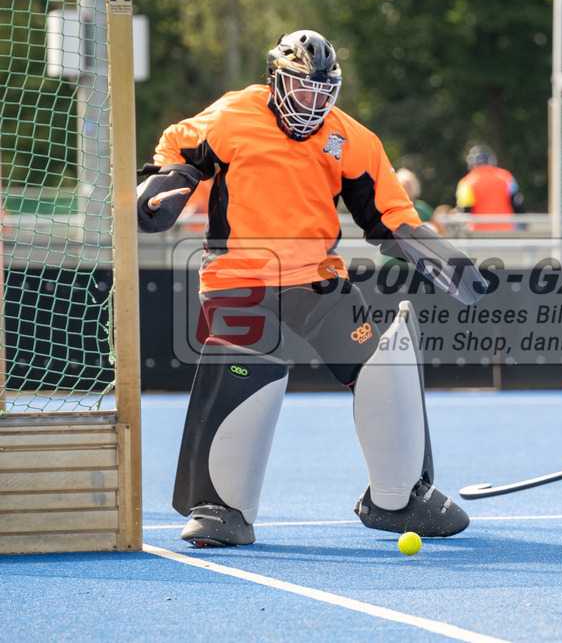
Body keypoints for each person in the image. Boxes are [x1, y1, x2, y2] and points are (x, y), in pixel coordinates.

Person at [134, 30, 486, 548]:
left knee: (382, 363)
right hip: (239, 279)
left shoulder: (353, 139)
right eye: (303, 90)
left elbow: (389, 211)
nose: (313, 103)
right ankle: (220, 507)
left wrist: (423, 245)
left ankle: (397, 497)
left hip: (318, 280)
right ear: (276, 81)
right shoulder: (233, 114)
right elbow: (178, 143)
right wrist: (170, 177)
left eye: (324, 93)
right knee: (246, 368)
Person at [455, 144, 524, 231]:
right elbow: (517, 202)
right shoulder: (506, 176)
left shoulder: (466, 182)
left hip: (478, 232)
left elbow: (464, 209)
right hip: (505, 230)